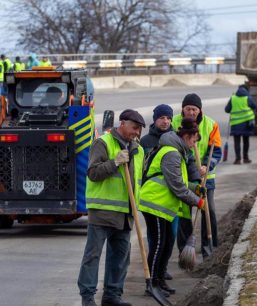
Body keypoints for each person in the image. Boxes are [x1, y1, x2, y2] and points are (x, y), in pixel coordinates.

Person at [78, 109, 146, 306]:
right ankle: (88, 297)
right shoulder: (103, 143)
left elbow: (138, 180)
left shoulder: (138, 150)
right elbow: (93, 173)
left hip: (126, 213)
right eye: (134, 128)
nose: (136, 133)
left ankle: (112, 295)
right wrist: (116, 162)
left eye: (139, 130)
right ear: (122, 124)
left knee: (120, 256)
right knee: (93, 255)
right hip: (103, 211)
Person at [139, 117, 205, 297]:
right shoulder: (172, 153)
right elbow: (176, 186)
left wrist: (196, 188)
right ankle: (151, 284)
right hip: (155, 203)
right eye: (193, 141)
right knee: (159, 244)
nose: (194, 145)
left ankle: (159, 281)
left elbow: (180, 182)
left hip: (164, 205)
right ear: (186, 136)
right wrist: (196, 201)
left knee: (167, 244)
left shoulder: (179, 152)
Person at [173, 93, 222, 259]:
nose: (191, 112)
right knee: (184, 214)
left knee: (209, 211)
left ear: (200, 110)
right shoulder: (174, 122)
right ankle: (185, 251)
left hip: (205, 177)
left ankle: (210, 247)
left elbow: (216, 150)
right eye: (188, 109)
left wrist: (207, 166)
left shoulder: (211, 125)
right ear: (183, 109)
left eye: (194, 109)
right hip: (184, 176)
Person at [139, 104, 177, 282]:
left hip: (171, 198)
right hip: (153, 197)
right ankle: (154, 276)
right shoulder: (146, 141)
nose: (166, 121)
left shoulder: (175, 140)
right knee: (157, 239)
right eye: (162, 118)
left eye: (169, 118)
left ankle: (162, 271)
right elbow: (141, 169)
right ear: (155, 119)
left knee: (169, 238)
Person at [224, 85, 257, 164]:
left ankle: (238, 159)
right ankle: (246, 158)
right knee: (246, 141)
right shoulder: (248, 98)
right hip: (246, 123)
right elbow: (255, 106)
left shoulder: (233, 98)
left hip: (236, 124)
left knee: (237, 142)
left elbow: (227, 110)